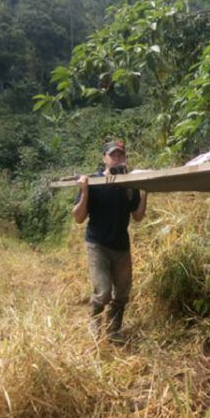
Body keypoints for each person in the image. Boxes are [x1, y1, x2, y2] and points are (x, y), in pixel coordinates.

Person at [73, 140, 148, 342]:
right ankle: (95, 327)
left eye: (120, 155)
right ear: (104, 158)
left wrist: (145, 190)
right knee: (103, 292)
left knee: (122, 293)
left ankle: (113, 332)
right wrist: (85, 193)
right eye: (113, 155)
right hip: (98, 245)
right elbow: (78, 217)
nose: (117, 158)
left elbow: (138, 216)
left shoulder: (129, 186)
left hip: (121, 246)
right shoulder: (93, 183)